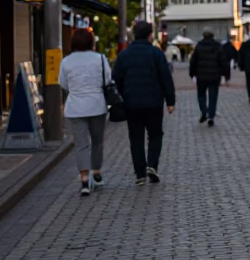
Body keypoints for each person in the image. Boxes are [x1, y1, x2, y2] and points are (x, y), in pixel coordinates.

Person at [112, 20, 175, 186]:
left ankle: (140, 173)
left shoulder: (124, 55)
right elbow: (165, 78)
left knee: (136, 137)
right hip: (154, 102)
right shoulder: (156, 53)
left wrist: (118, 100)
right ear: (150, 35)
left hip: (131, 103)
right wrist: (170, 101)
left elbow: (116, 79)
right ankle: (152, 165)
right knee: (155, 134)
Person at [57, 28, 109, 196]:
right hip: (97, 105)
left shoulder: (66, 61)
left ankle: (84, 180)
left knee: (81, 145)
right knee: (97, 141)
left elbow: (63, 83)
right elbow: (107, 79)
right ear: (91, 42)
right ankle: (96, 171)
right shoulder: (100, 59)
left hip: (75, 108)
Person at [189, 29, 227, 125]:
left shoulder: (199, 46)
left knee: (201, 95)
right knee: (213, 96)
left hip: (201, 76)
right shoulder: (218, 46)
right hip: (215, 76)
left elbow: (193, 61)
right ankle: (211, 116)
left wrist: (192, 73)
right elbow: (223, 61)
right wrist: (225, 74)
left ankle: (204, 111)